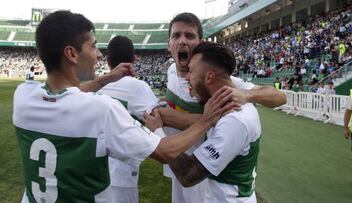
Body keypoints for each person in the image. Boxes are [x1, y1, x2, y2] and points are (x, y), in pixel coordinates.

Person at [13, 10, 237, 203]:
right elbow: (165, 151)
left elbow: (69, 93)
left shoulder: (24, 95)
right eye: (93, 46)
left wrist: (105, 79)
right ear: (71, 54)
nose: (99, 54)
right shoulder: (102, 110)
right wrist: (207, 120)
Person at [157, 12, 285, 203]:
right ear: (169, 45)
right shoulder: (171, 72)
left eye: (189, 36)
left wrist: (248, 94)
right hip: (178, 160)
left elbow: (280, 97)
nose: (182, 41)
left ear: (200, 42)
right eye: (176, 36)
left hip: (203, 173)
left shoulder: (217, 80)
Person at [168, 41, 261, 202]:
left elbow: (188, 175)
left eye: (191, 71)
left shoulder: (234, 120)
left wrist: (158, 133)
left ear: (210, 76)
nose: (187, 77)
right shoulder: (225, 107)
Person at [97, 35, 160, 203]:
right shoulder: (138, 87)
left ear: (108, 60)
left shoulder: (97, 85)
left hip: (95, 168)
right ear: (134, 58)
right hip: (122, 172)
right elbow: (158, 116)